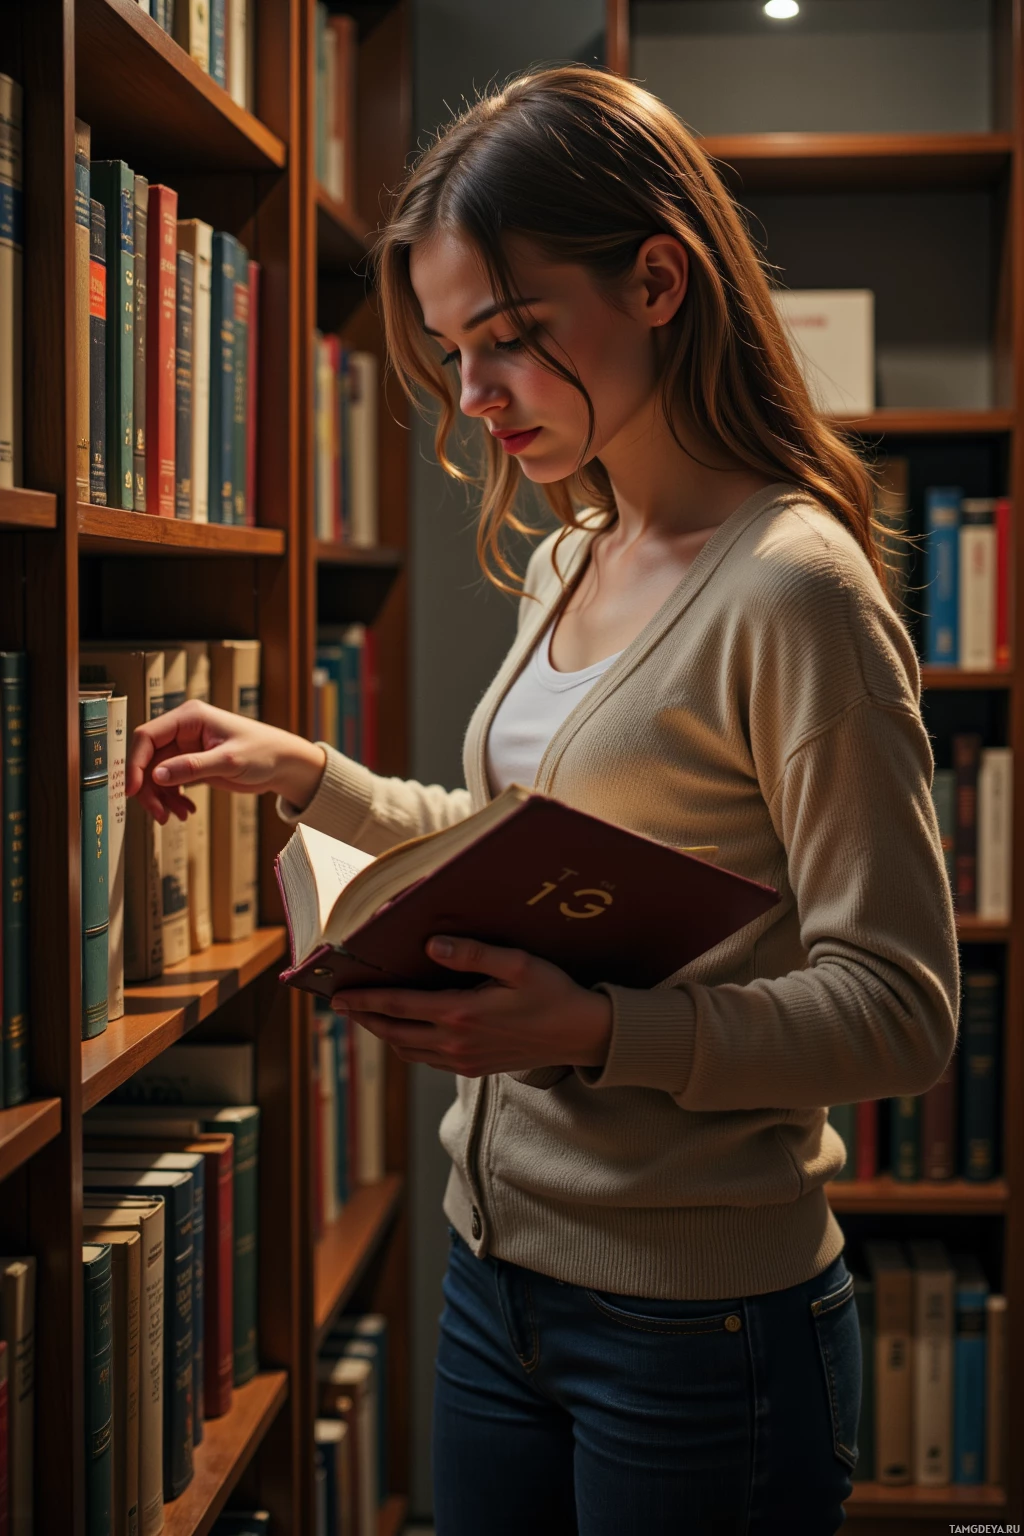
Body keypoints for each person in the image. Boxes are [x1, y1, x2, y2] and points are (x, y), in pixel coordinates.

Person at [126, 65, 959, 1536]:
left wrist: (594, 1032)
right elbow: (544, 855)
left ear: (657, 280)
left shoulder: (794, 590)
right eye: (453, 350)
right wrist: (316, 776)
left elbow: (899, 1008)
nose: (475, 397)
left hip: (698, 1334)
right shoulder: (576, 549)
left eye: (509, 338)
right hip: (492, 1277)